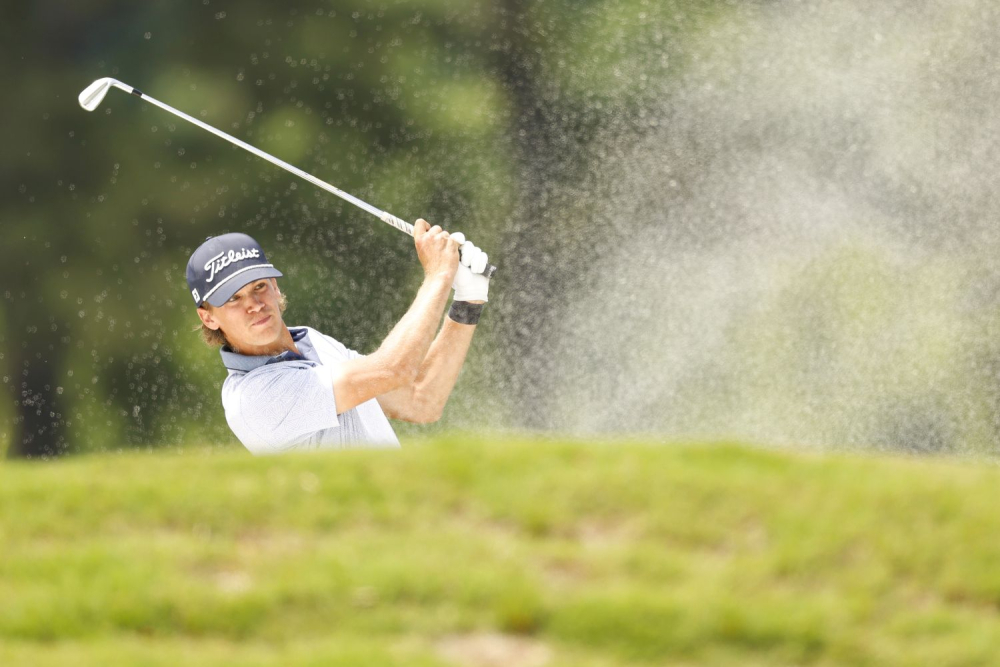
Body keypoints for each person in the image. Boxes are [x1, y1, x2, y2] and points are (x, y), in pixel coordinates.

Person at [184, 220, 490, 454]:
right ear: (208, 317)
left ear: (275, 288)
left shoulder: (311, 341)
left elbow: (420, 400)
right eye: (233, 299)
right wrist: (439, 275)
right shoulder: (252, 398)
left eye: (259, 287)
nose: (253, 304)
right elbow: (393, 369)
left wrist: (468, 298)